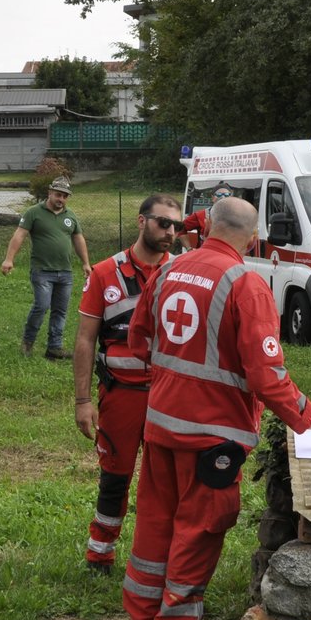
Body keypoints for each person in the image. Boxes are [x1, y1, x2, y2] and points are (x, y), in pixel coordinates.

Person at [124, 197, 311, 620]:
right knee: (197, 531)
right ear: (253, 234)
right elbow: (267, 377)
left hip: (160, 425)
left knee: (155, 520)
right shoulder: (245, 283)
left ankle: (143, 619)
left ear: (209, 226)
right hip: (212, 438)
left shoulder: (167, 269)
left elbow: (137, 337)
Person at [72, 192, 183, 574]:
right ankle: (100, 553)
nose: (170, 232)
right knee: (115, 477)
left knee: (165, 484)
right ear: (141, 221)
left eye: (176, 226)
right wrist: (82, 400)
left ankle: (156, 560)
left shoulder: (183, 271)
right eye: (162, 223)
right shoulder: (106, 273)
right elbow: (85, 338)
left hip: (169, 397)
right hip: (121, 394)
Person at [0, 175, 91, 359]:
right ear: (50, 193)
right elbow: (19, 235)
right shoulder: (34, 212)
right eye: (58, 195)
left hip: (65, 272)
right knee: (41, 306)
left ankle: (54, 347)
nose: (61, 199)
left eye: (65, 196)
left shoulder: (70, 216)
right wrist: (9, 259)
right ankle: (28, 342)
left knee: (60, 310)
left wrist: (86, 263)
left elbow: (78, 239)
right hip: (42, 271)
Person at [178, 184, 234, 251]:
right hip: (204, 257)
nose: (222, 197)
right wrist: (189, 248)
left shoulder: (237, 216)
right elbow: (180, 228)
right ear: (212, 198)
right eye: (219, 194)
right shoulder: (201, 215)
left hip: (228, 258)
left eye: (226, 195)